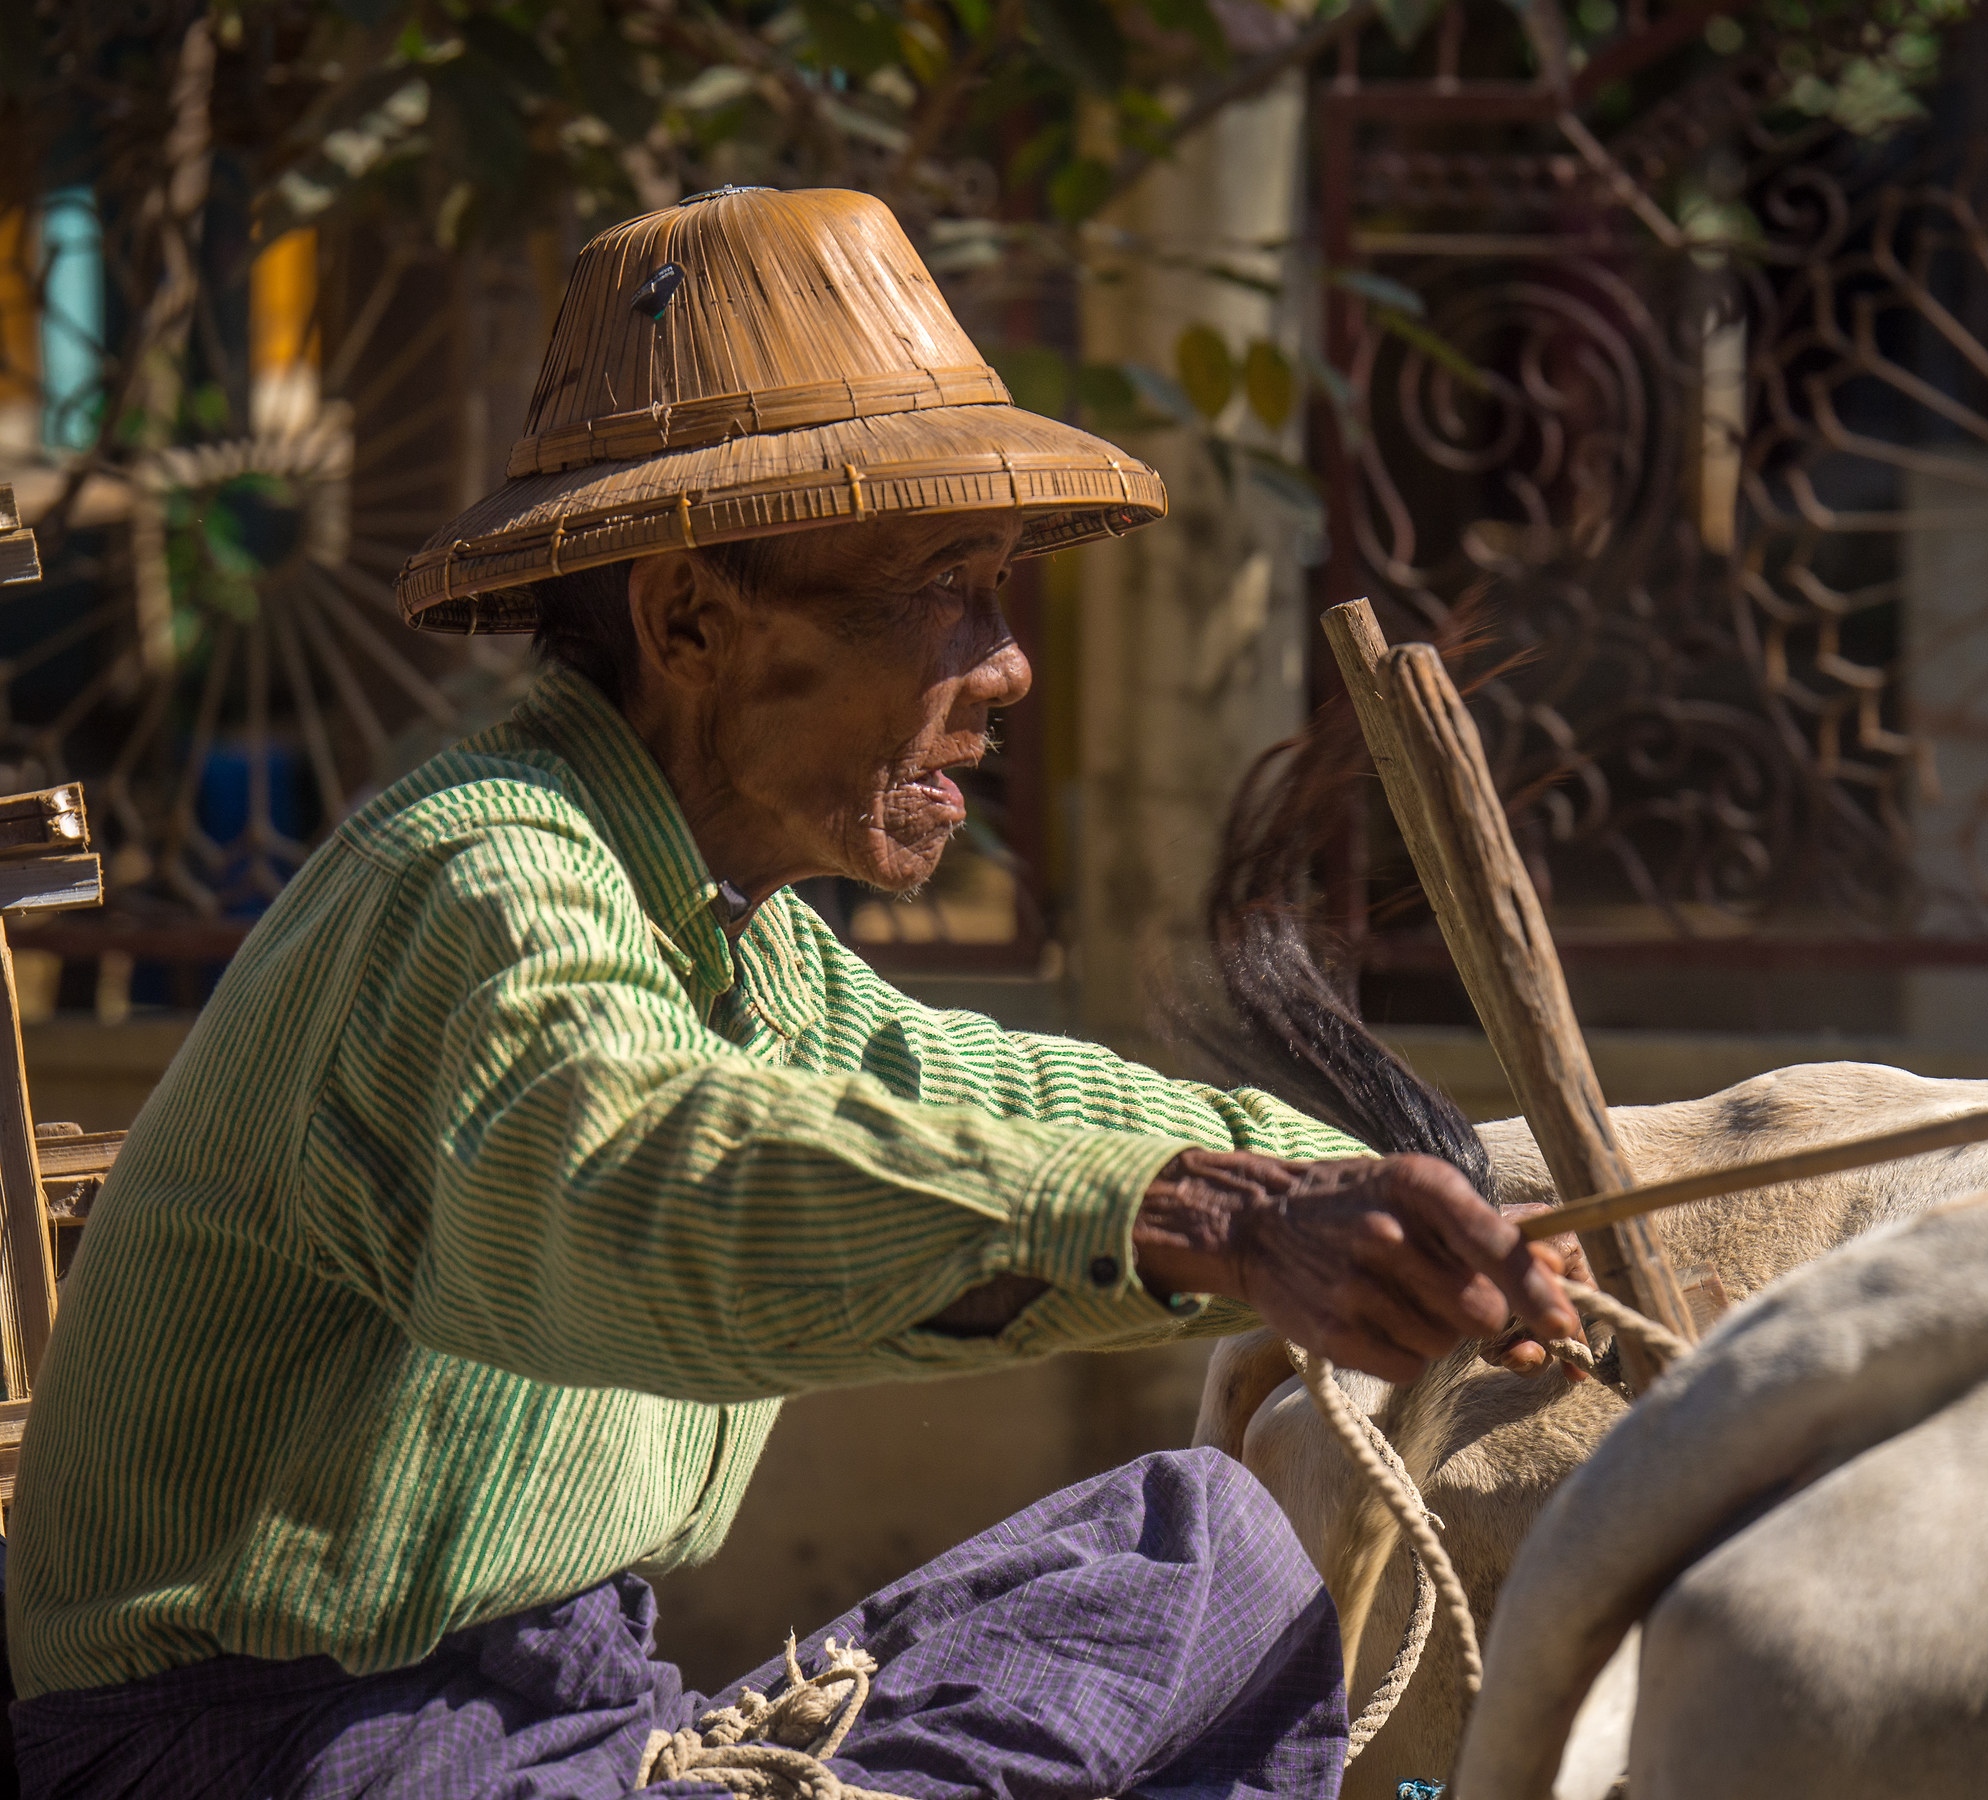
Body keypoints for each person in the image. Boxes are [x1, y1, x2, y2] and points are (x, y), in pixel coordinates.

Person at [5, 188, 1581, 1799]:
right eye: (947, 591)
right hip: (270, 1755)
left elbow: (987, 1097)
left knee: (1216, 1560)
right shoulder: (478, 880)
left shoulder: (741, 937)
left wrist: (1342, 1180)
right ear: (690, 616)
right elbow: (656, 1172)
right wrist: (1214, 1218)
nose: (1009, 664)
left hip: (582, 1718)